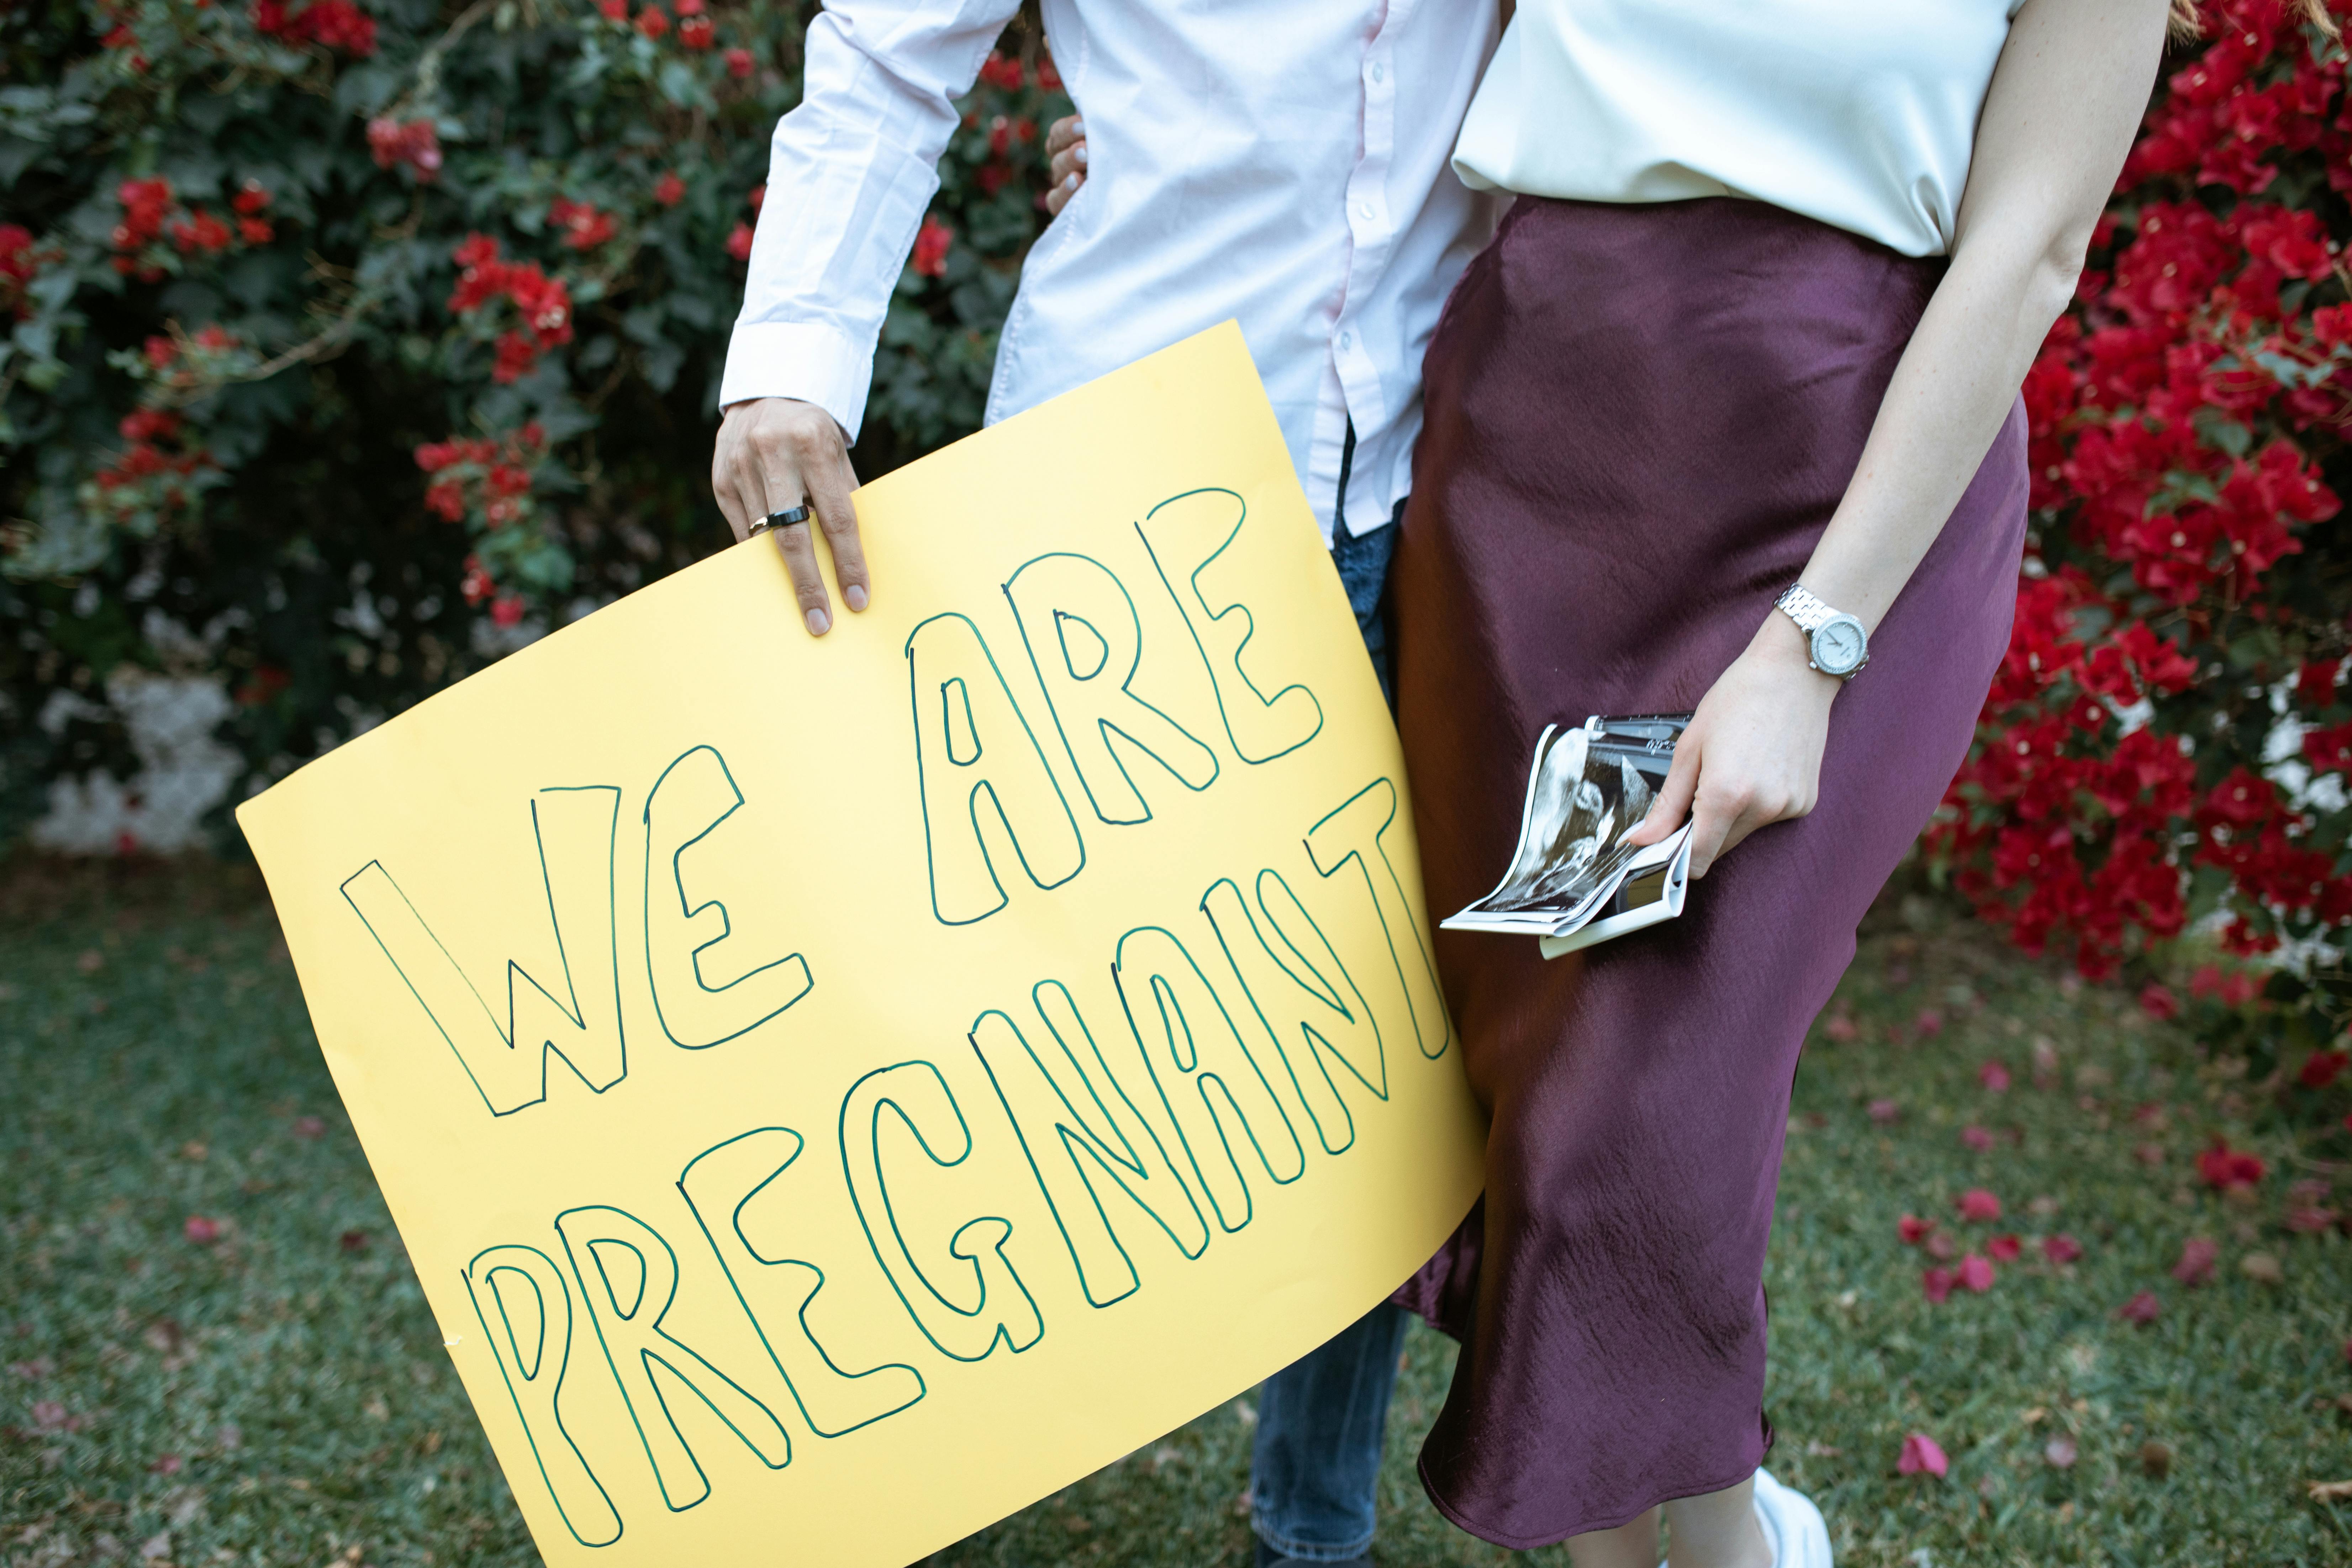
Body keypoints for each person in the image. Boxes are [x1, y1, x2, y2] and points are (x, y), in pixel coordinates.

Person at [707, 5, 1503, 1563]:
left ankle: (1313, 1534)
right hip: (1118, 472)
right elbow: (885, 49)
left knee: (1367, 1056)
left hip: (1434, 470)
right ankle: (874, 1491)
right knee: (990, 1039)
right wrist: (791, 361)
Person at [1385, 1, 2176, 1564]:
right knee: (1552, 1112)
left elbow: (2029, 246)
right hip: (1530, 459)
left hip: (1838, 481)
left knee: (1637, 1114)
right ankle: (1734, 1539)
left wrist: (1812, 647)